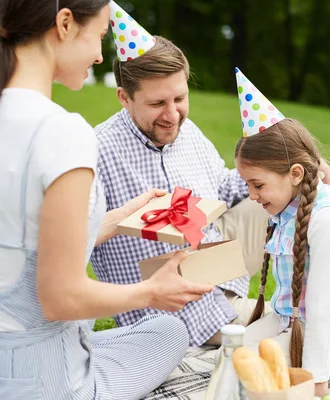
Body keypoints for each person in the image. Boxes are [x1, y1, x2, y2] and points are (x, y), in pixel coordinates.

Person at [0, 1, 213, 399]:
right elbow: (60, 298)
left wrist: (117, 218)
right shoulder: (62, 133)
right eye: (99, 35)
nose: (101, 54)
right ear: (65, 23)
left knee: (162, 332)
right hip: (52, 383)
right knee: (169, 330)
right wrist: (151, 292)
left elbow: (25, 240)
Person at [91, 4, 330, 346]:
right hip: (171, 312)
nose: (173, 114)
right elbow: (73, 240)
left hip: (220, 278)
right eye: (157, 103)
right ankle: (318, 313)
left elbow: (224, 186)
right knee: (308, 336)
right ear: (124, 99)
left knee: (289, 188)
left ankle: (323, 289)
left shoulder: (186, 133)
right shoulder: (96, 150)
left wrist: (290, 170)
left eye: (180, 97)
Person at [234, 68, 330, 397]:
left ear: (296, 173)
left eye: (257, 184)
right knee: (232, 354)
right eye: (247, 184)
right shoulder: (289, 206)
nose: (252, 195)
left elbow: (324, 310)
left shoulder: (328, 220)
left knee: (256, 377)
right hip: (295, 323)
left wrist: (315, 382)